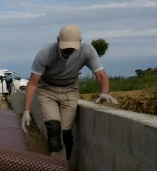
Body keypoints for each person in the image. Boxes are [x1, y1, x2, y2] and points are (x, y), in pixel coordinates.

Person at [21, 24, 118, 160]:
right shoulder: (46, 52)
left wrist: (104, 92)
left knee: (65, 133)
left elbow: (101, 75)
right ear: (58, 40)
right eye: (65, 46)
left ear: (79, 42)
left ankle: (65, 169)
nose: (68, 50)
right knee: (54, 129)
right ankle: (56, 169)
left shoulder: (87, 51)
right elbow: (32, 84)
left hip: (70, 91)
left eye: (72, 47)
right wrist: (26, 110)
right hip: (47, 90)